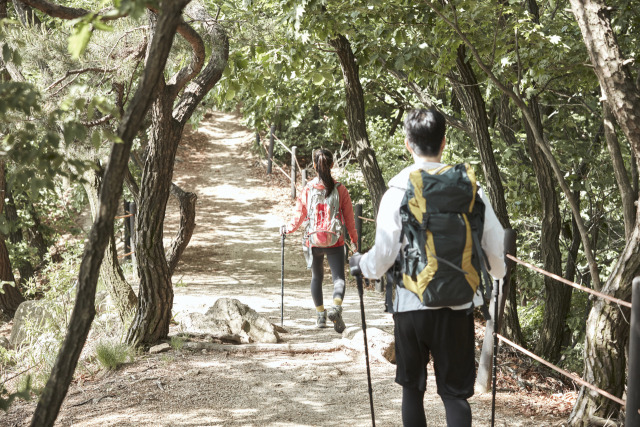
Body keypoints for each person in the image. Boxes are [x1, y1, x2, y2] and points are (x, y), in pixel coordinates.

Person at [349, 109, 506, 426]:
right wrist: (497, 275)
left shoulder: (397, 192)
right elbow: (496, 252)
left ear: (408, 144)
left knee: (412, 390)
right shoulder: (471, 190)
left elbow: (382, 258)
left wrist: (359, 264)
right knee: (454, 395)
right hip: (458, 305)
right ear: (444, 142)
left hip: (410, 304)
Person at [280, 148, 358, 332]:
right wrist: (354, 243)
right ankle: (336, 308)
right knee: (338, 278)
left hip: (314, 241)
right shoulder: (341, 190)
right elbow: (349, 221)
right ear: (332, 165)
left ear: (314, 166)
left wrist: (287, 229)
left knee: (317, 278)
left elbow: (299, 215)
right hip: (335, 241)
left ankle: (321, 316)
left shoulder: (308, 189)